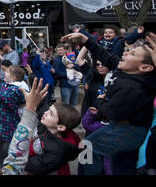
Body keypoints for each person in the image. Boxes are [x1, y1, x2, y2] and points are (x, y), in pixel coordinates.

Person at [61, 31, 156, 175]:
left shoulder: (133, 88)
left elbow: (113, 112)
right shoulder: (126, 72)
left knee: (88, 148)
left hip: (127, 130)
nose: (125, 53)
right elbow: (105, 55)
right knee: (122, 165)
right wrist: (86, 40)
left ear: (144, 68)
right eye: (128, 51)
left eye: (133, 54)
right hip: (124, 128)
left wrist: (100, 101)